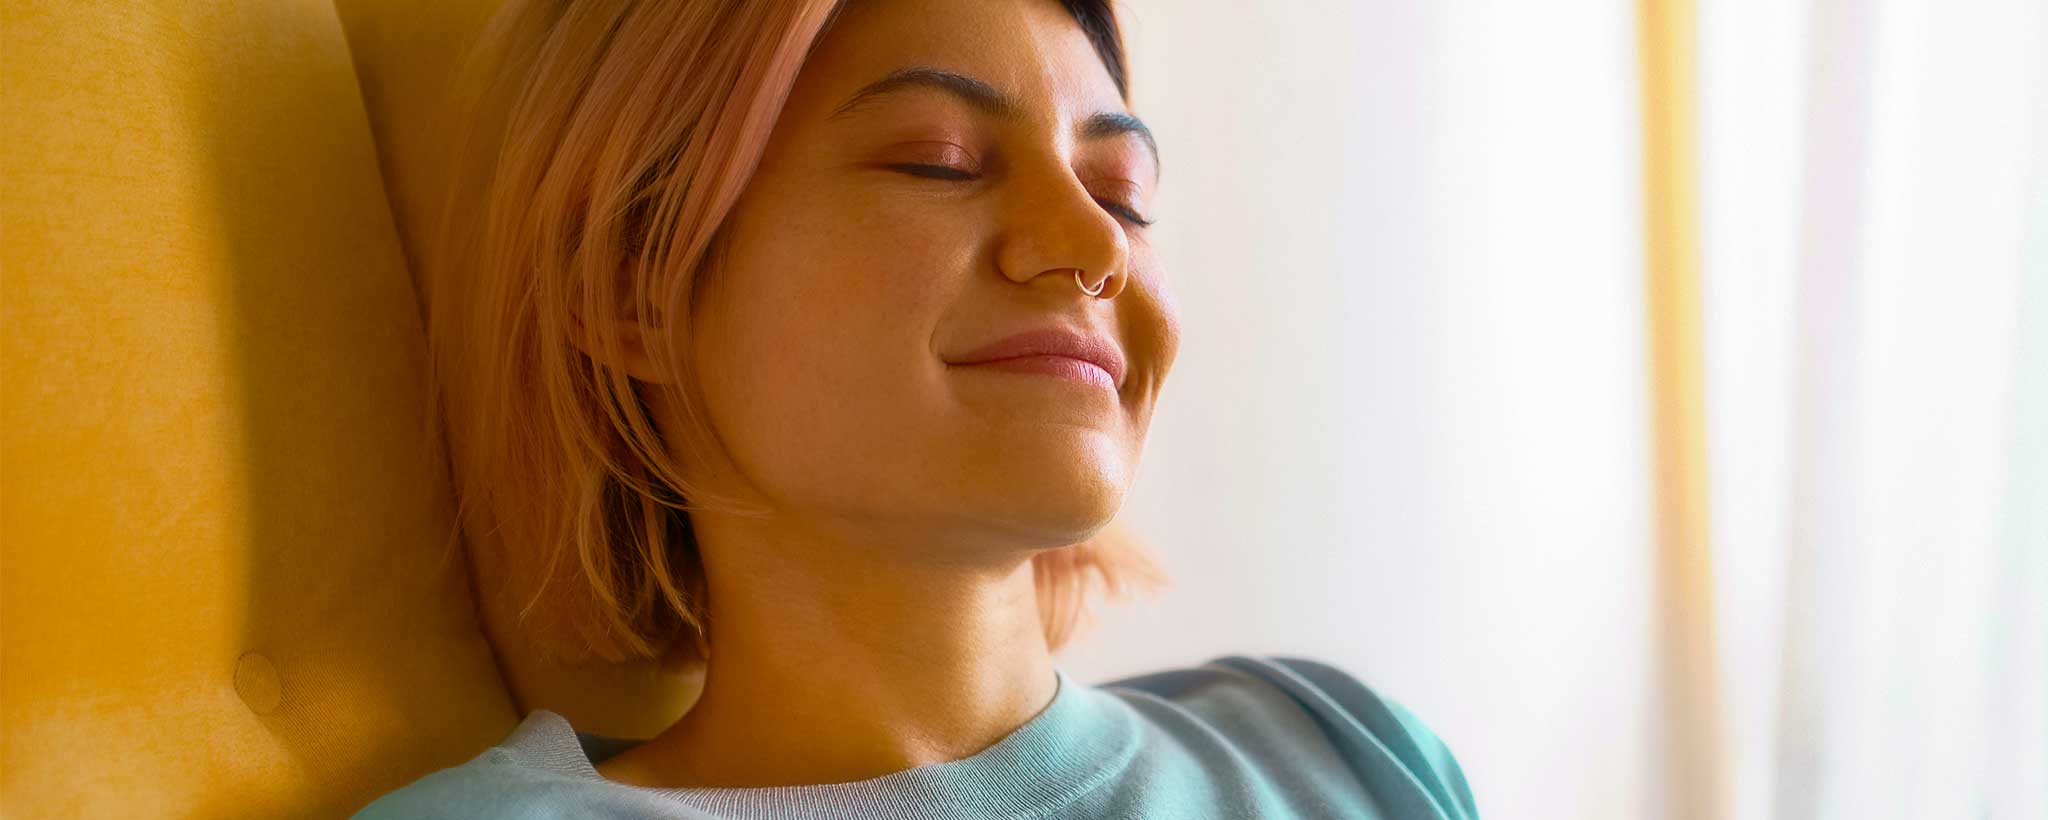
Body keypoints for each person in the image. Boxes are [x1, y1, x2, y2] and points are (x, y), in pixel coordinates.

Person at [355, 0, 1479, 816]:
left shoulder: (1347, 761)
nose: (1093, 246)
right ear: (630, 288)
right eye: (938, 162)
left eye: (1121, 195)